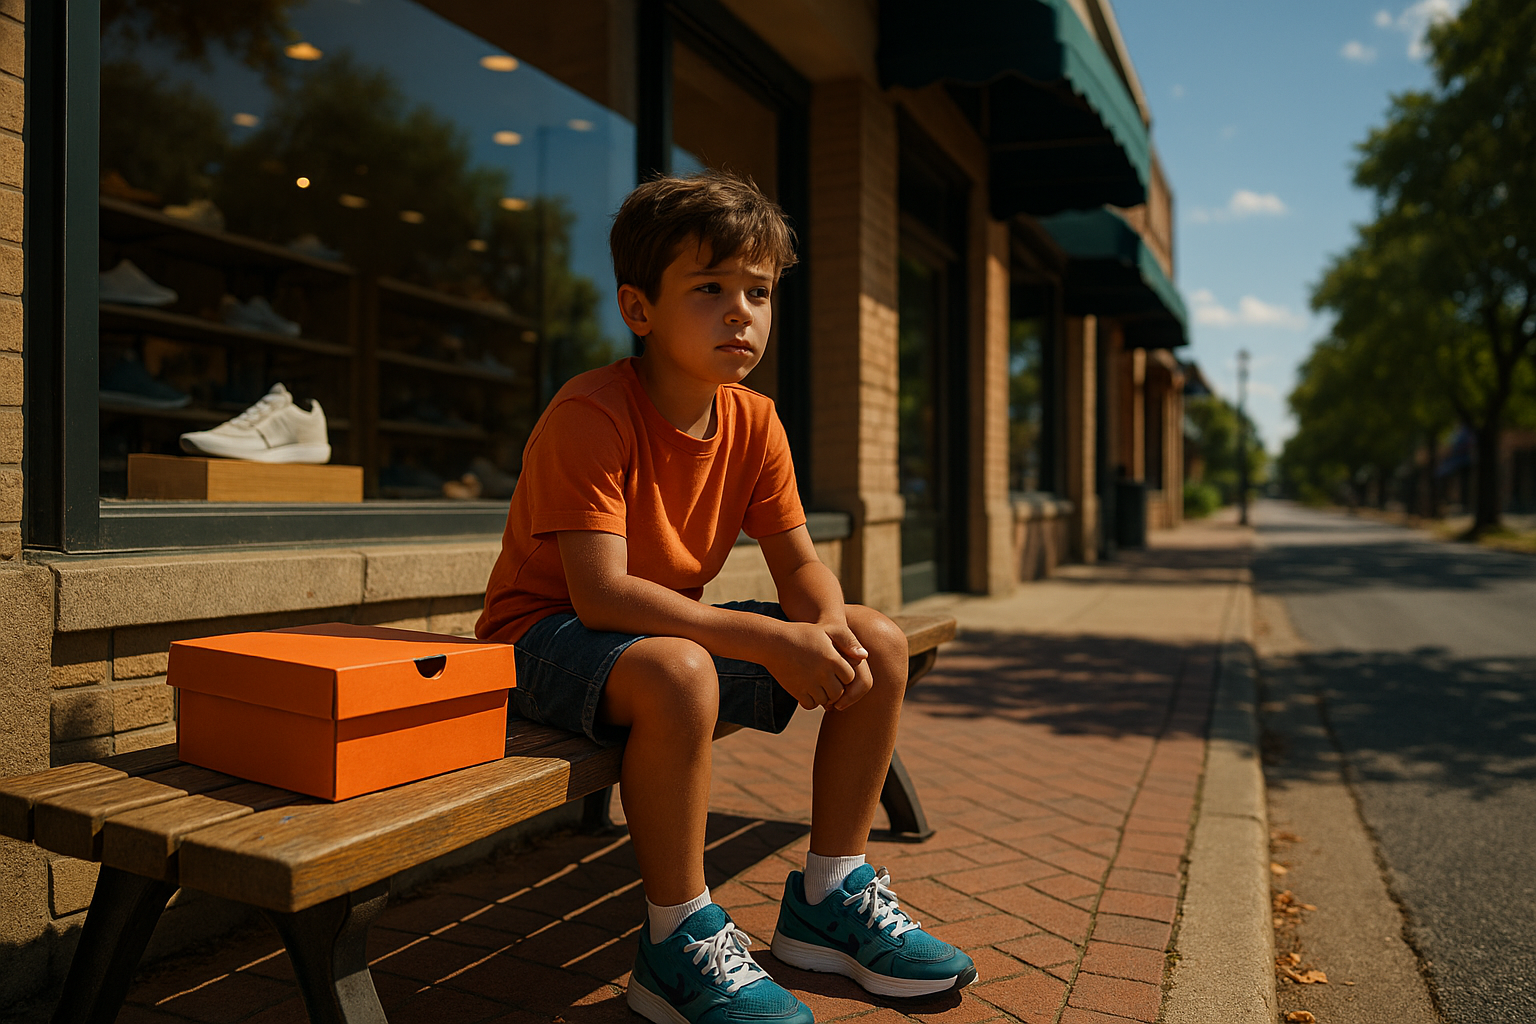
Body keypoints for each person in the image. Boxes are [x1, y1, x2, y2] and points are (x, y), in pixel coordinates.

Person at [477, 171, 977, 1024]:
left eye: (758, 290)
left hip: (654, 637)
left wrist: (821, 628)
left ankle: (830, 895)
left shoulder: (755, 422)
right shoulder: (590, 414)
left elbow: (802, 568)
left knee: (878, 640)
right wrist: (770, 645)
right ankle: (675, 941)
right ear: (640, 309)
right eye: (709, 289)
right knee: (682, 674)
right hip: (538, 642)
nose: (739, 311)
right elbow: (599, 597)